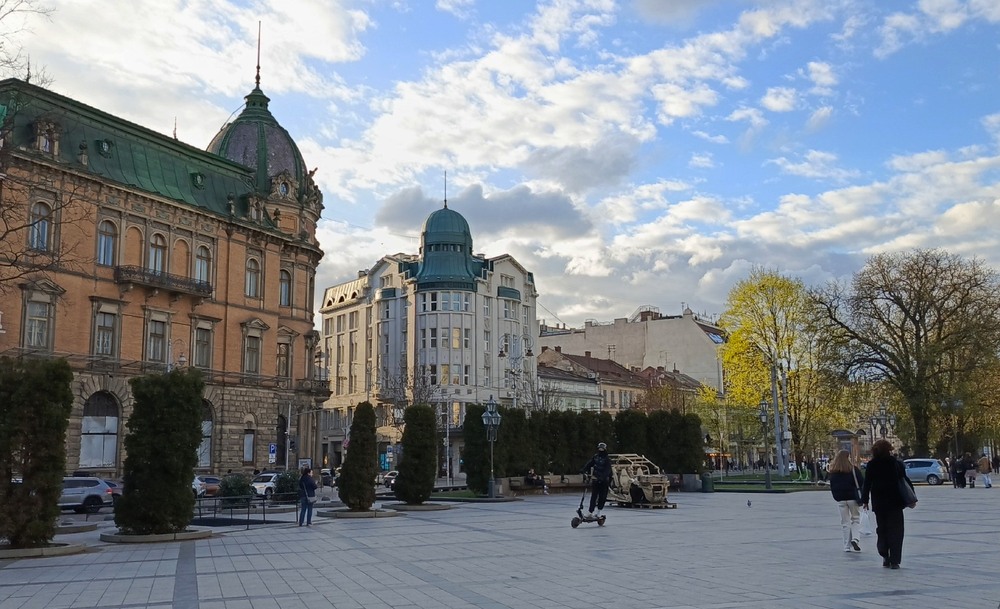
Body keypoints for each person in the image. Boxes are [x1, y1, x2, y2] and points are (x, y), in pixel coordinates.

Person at [861, 439, 914, 569]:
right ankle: (895, 560)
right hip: (895, 501)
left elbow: (867, 483)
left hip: (879, 502)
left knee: (882, 529)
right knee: (896, 531)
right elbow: (904, 480)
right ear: (889, 450)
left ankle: (884, 554)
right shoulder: (895, 463)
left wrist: (865, 500)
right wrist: (912, 496)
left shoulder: (872, 464)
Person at [827, 449, 864, 553]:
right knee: (855, 519)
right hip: (853, 498)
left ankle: (846, 546)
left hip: (841, 499)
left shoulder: (834, 472)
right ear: (848, 457)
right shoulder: (853, 469)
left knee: (845, 523)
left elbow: (833, 486)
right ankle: (855, 539)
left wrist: (837, 497)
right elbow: (861, 482)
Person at [580, 442, 613, 518]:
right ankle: (590, 511)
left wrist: (602, 477)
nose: (600, 450)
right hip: (596, 479)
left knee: (602, 496)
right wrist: (584, 469)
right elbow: (590, 463)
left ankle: (599, 511)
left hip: (604, 481)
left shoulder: (607, 459)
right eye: (599, 448)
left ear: (605, 449)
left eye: (602, 449)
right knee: (594, 496)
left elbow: (607, 471)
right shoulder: (596, 457)